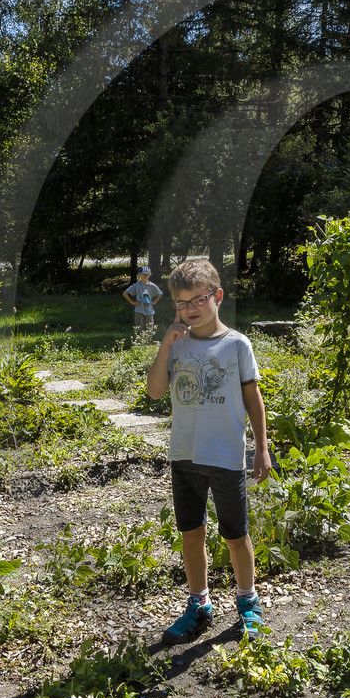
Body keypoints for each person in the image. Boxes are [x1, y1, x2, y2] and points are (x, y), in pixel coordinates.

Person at [146, 259, 274, 642]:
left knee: (236, 535)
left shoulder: (236, 344)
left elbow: (254, 399)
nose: (190, 309)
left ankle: (247, 601)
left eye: (198, 299)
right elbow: (154, 392)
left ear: (217, 296)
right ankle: (199, 603)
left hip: (225, 456)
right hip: (184, 454)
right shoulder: (177, 344)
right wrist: (166, 342)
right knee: (191, 533)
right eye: (181, 303)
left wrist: (262, 448)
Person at [124, 265, 165, 337]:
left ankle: (147, 343)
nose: (145, 276)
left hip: (149, 311)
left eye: (147, 274)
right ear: (139, 274)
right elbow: (125, 293)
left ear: (150, 275)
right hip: (139, 310)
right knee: (139, 328)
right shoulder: (136, 285)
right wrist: (132, 302)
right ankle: (139, 343)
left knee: (149, 328)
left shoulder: (152, 285)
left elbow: (160, 293)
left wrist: (154, 302)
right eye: (143, 274)